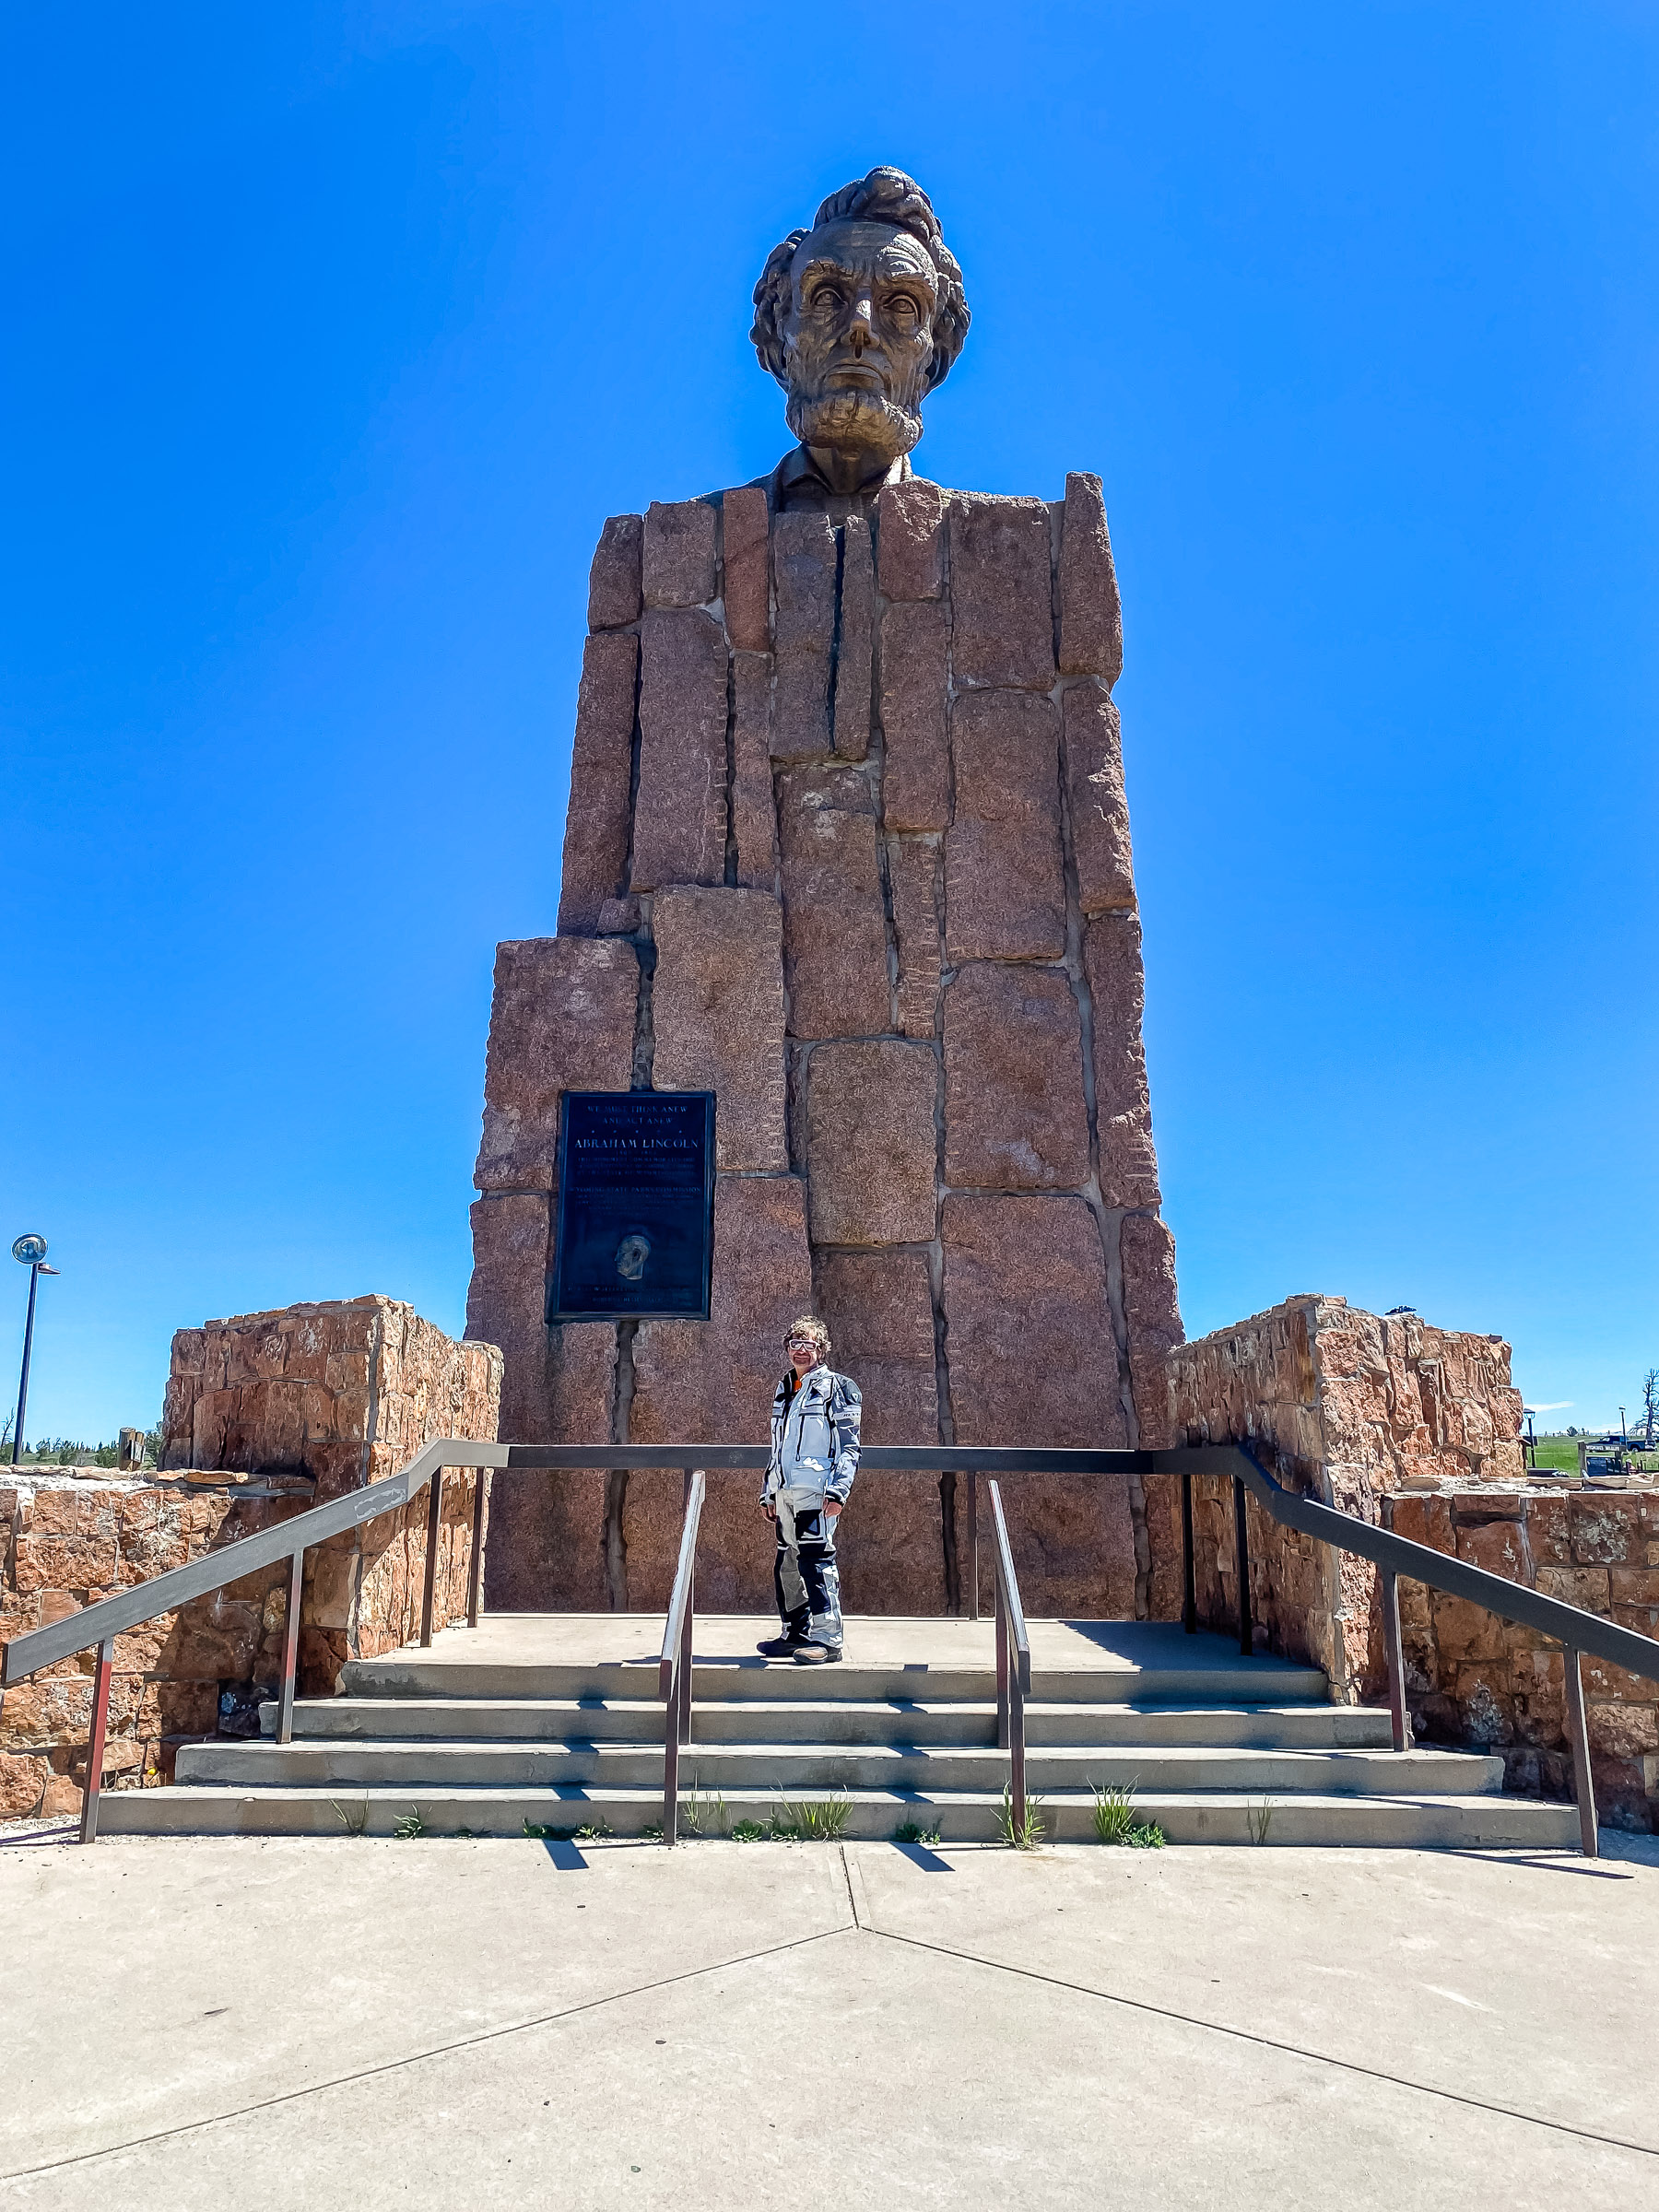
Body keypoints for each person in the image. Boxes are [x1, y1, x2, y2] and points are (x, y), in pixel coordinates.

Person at [757, 1316, 862, 1664]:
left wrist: (839, 1490)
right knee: (787, 1562)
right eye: (795, 1344)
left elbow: (849, 1446)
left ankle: (828, 1640)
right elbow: (776, 1446)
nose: (801, 1351)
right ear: (787, 1348)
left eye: (810, 1344)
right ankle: (795, 1632)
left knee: (816, 1561)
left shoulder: (838, 1387)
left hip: (816, 1492)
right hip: (784, 1491)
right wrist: (768, 1490)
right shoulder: (785, 1389)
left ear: (821, 1349)